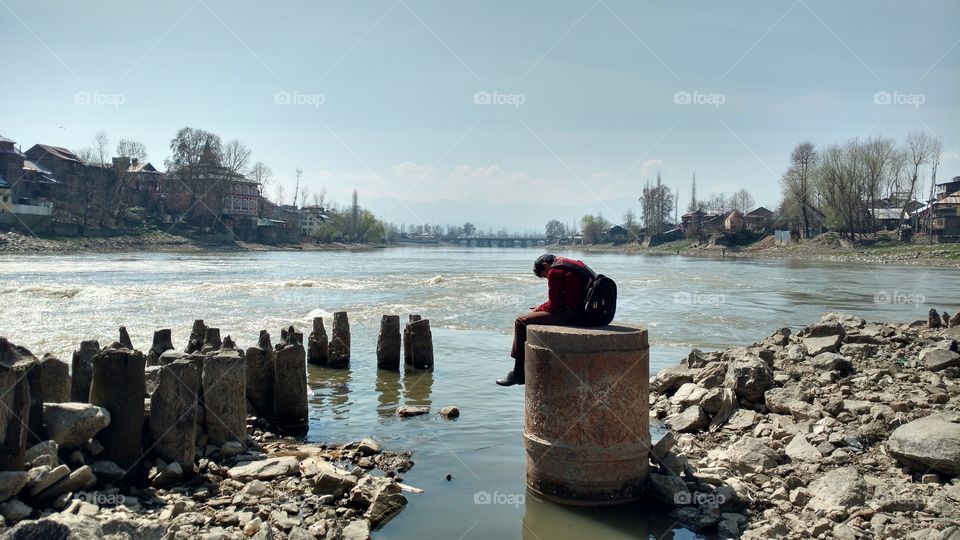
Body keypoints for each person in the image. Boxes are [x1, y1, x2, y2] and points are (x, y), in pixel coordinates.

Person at [496, 254, 590, 387]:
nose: (547, 277)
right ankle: (519, 371)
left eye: (544, 276)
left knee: (521, 321)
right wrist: (541, 308)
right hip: (584, 311)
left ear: (545, 265)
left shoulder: (554, 271)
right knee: (527, 319)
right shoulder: (572, 264)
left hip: (571, 314)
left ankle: (518, 373)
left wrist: (537, 310)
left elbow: (554, 305)